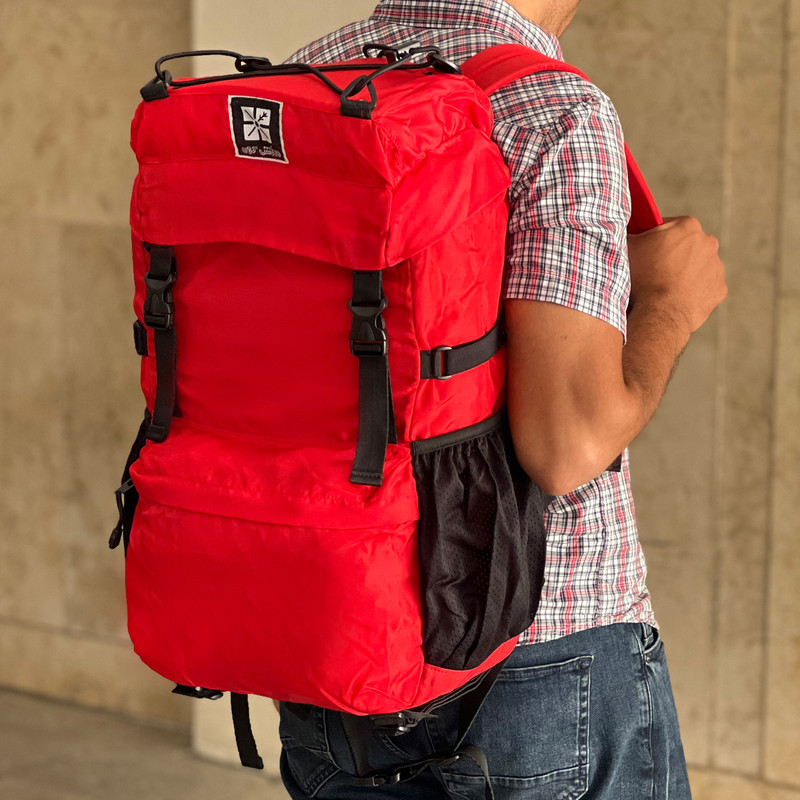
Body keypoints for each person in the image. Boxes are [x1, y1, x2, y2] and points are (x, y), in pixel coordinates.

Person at [276, 1, 727, 798]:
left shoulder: (309, 75)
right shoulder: (552, 110)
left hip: (335, 626)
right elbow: (566, 447)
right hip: (534, 658)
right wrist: (669, 304)